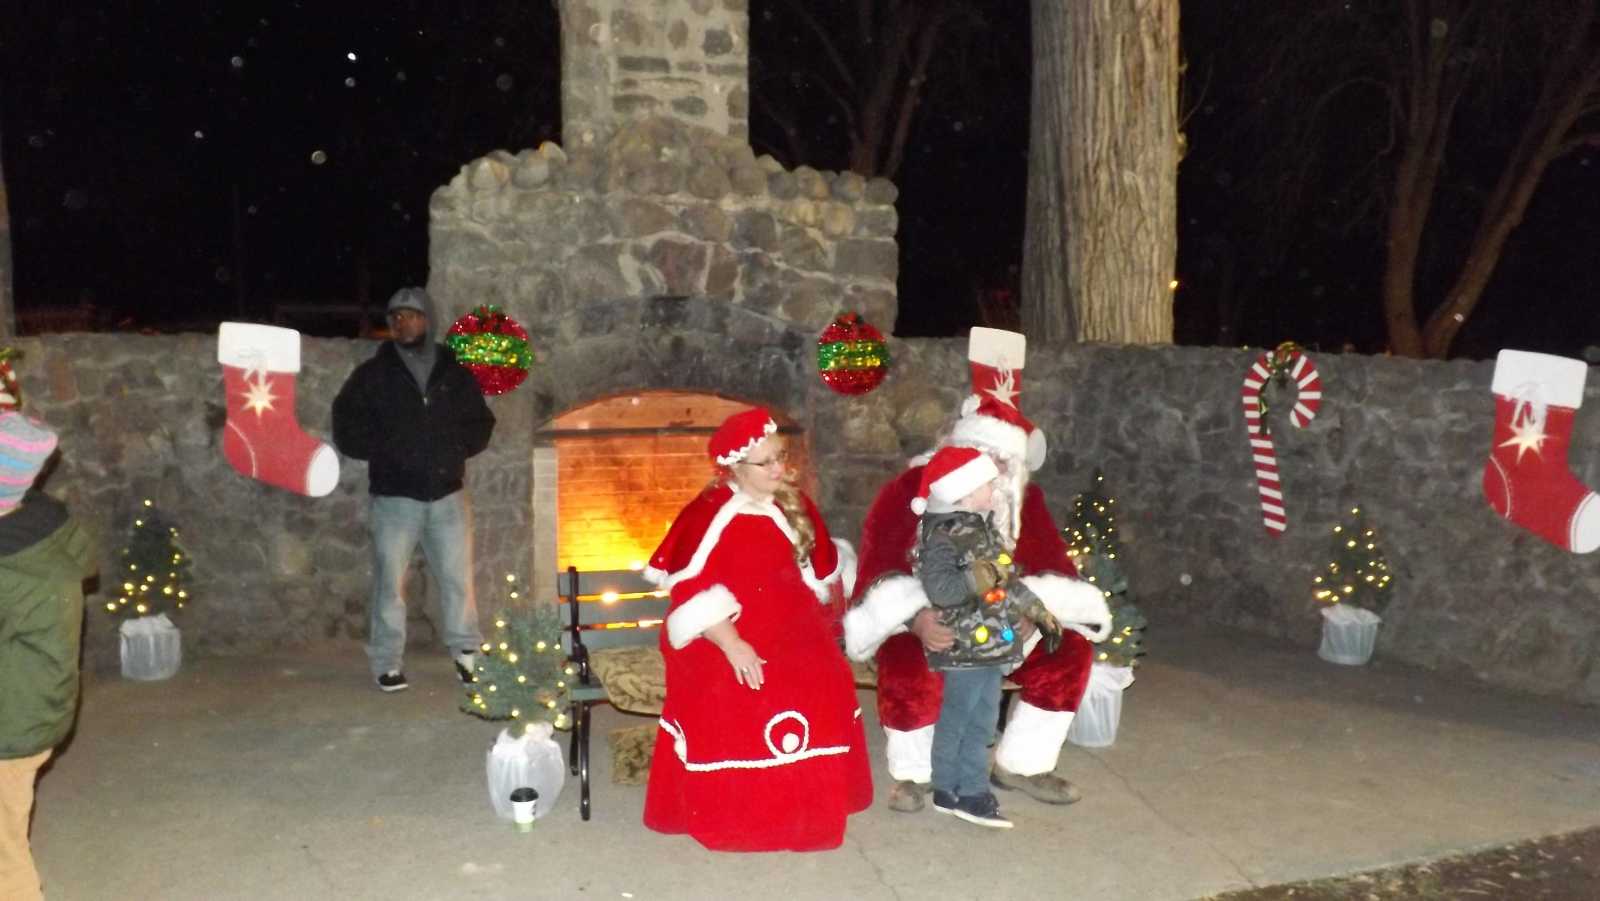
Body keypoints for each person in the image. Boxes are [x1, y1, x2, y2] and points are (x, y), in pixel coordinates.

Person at [844, 327, 1111, 814]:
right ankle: (916, 775)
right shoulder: (909, 491)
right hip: (935, 623)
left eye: (1007, 464)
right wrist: (915, 619)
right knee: (908, 666)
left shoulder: (1024, 500)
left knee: (1069, 650)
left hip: (1001, 624)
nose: (999, 475)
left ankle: (1022, 763)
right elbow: (877, 571)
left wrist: (1032, 612)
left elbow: (1054, 568)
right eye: (988, 461)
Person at [642, 407, 871, 851]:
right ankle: (748, 818)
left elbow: (820, 574)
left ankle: (807, 810)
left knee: (824, 681)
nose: (778, 469)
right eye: (764, 462)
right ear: (734, 466)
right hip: (719, 633)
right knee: (735, 696)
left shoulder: (794, 504)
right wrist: (733, 644)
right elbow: (689, 593)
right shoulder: (708, 513)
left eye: (781, 457)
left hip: (793, 626)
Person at [332, 287, 496, 692]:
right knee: (390, 584)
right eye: (395, 316)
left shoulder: (453, 373)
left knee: (458, 580)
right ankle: (387, 661)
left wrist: (454, 450)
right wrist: (385, 451)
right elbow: (346, 422)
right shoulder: (374, 374)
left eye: (410, 315)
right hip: (395, 498)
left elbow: (480, 422)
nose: (401, 322)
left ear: (428, 320)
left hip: (447, 495)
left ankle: (466, 652)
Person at [912, 445, 1062, 829]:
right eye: (986, 484)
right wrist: (977, 578)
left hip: (993, 646)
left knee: (978, 719)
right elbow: (941, 590)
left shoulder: (984, 530)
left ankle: (948, 788)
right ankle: (971, 793)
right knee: (966, 721)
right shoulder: (942, 536)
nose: (994, 490)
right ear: (962, 492)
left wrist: (1038, 611)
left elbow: (1007, 581)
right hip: (965, 647)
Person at [0, 412, 95, 901]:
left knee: (4, 856)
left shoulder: (8, 564)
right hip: (34, 711)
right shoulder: (41, 533)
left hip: (10, 725)